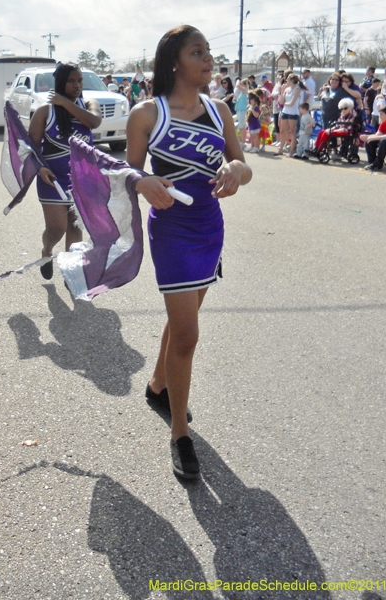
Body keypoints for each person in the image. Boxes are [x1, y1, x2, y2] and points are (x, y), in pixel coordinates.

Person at [126, 25, 251, 480]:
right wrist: (141, 181)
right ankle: (180, 433)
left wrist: (238, 169)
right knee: (188, 337)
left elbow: (242, 164)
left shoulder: (220, 111)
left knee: (183, 323)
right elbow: (124, 170)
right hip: (172, 231)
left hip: (210, 229)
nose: (208, 58)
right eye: (198, 52)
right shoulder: (147, 113)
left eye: (209, 51)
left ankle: (160, 386)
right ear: (175, 61)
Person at [28, 63, 102, 280]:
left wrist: (65, 103)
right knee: (57, 229)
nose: (77, 85)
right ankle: (47, 252)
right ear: (61, 83)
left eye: (80, 80)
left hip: (82, 178)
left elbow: (94, 121)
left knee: (75, 225)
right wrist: (40, 166)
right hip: (53, 179)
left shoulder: (89, 104)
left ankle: (72, 272)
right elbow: (32, 145)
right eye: (71, 81)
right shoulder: (45, 111)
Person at [360, 105, 386, 172]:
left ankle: (378, 163)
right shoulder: (383, 123)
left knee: (384, 141)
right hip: (385, 141)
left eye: (381, 114)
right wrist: (367, 137)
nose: (380, 116)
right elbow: (377, 135)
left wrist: (374, 137)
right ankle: (372, 163)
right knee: (369, 141)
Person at [278, 74, 303, 156]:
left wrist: (285, 103)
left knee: (292, 131)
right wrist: (282, 91)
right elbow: (281, 102)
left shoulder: (297, 89)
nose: (286, 81)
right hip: (285, 111)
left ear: (292, 80)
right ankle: (280, 149)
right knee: (282, 131)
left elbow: (292, 103)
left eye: (287, 79)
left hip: (293, 112)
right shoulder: (287, 89)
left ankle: (292, 150)